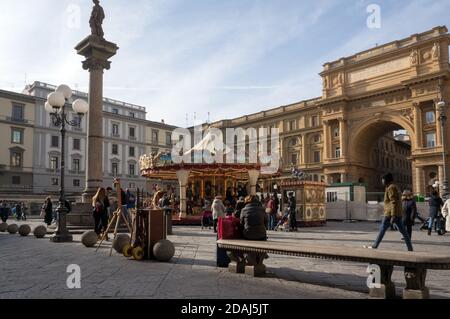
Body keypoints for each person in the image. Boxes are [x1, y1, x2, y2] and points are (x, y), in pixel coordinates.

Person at [364, 173, 413, 251]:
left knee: (382, 229)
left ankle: (375, 245)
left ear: (387, 180)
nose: (382, 181)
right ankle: (410, 248)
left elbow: (393, 201)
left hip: (390, 213)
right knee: (403, 231)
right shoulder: (394, 186)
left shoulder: (390, 187)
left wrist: (393, 215)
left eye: (383, 179)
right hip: (397, 213)